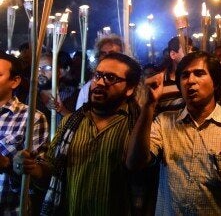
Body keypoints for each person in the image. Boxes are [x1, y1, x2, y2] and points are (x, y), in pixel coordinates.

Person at [126, 51, 221, 215]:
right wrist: (148, 106)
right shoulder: (164, 122)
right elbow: (135, 162)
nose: (191, 81)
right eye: (185, 76)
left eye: (199, 73)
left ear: (215, 83)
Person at [15, 52, 142, 215]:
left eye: (110, 77)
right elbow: (51, 169)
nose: (100, 83)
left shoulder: (137, 126)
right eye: (98, 75)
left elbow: (142, 168)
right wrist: (33, 167)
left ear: (130, 89)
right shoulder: (71, 122)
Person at [0, 53, 49, 215]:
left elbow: (41, 175)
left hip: (9, 207)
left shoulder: (31, 118)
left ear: (15, 81)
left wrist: (9, 163)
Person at [74, 34, 124, 109]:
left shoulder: (132, 85)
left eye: (112, 53)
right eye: (103, 54)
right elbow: (79, 117)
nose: (107, 57)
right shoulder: (88, 89)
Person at [37, 52, 79, 125]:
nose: (41, 72)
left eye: (47, 68)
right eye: (38, 68)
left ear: (59, 72)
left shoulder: (73, 94)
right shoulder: (32, 96)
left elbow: (80, 123)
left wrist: (62, 110)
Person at [156, 36, 194, 115]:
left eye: (192, 49)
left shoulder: (194, 80)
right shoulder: (160, 81)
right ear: (173, 54)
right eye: (186, 49)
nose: (191, 53)